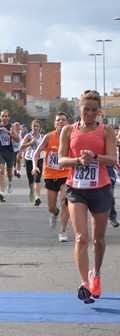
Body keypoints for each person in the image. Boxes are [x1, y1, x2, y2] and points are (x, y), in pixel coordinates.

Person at [59, 90, 117, 304]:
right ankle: (84, 283)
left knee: (98, 240)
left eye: (94, 110)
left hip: (101, 188)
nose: (90, 113)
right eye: (86, 109)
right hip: (77, 188)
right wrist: (77, 162)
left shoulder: (106, 131)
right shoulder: (68, 130)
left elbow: (112, 159)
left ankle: (96, 274)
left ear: (99, 111)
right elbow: (61, 159)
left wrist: (95, 157)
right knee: (81, 237)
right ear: (79, 108)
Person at [31, 112, 71, 242]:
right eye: (58, 120)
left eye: (63, 120)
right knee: (51, 207)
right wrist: (34, 166)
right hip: (50, 175)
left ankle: (62, 231)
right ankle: (55, 213)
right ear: (55, 124)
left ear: (67, 123)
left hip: (66, 174)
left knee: (65, 201)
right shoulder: (49, 137)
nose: (60, 122)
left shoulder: (72, 137)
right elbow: (36, 154)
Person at [0, 109, 20, 202]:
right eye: (2, 116)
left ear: (9, 117)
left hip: (9, 151)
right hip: (0, 150)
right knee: (1, 170)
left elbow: (17, 139)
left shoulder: (11, 126)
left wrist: (7, 132)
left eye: (6, 116)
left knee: (9, 172)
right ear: (0, 117)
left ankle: (10, 182)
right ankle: (2, 192)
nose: (4, 118)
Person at [21, 120, 44, 206]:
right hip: (29, 159)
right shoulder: (28, 136)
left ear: (39, 127)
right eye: (34, 126)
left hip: (39, 158)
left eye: (37, 126)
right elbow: (21, 146)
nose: (36, 128)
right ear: (31, 127)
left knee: (37, 178)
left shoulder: (42, 136)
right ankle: (31, 190)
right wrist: (30, 143)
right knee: (31, 179)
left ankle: (37, 197)